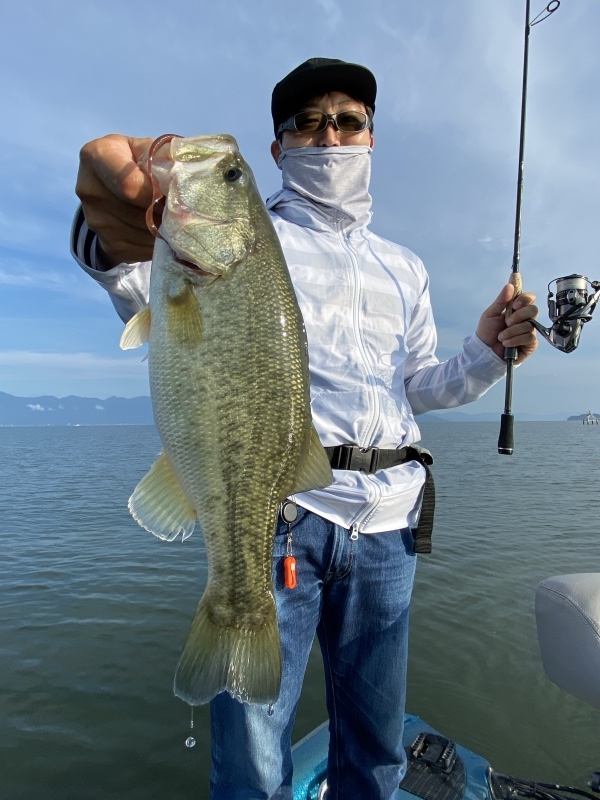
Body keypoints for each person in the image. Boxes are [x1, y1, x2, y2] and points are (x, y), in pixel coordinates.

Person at [71, 58, 538, 800]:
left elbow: (417, 388)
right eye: (308, 123)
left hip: (390, 526)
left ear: (371, 138)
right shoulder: (249, 242)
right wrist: (109, 228)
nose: (331, 136)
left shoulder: (404, 268)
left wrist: (483, 353)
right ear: (279, 146)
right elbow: (130, 274)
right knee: (253, 765)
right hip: (282, 516)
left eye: (349, 121)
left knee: (377, 749)